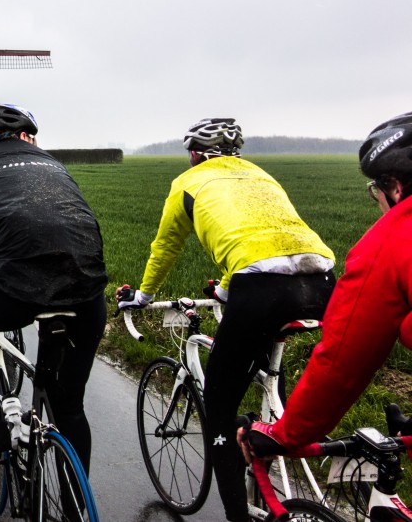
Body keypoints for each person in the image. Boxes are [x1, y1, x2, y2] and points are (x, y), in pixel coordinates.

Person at [116, 117, 336, 522]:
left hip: (261, 287)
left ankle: (237, 512)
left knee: (218, 409)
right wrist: (224, 291)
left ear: (196, 154)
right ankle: (268, 428)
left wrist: (142, 297)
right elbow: (268, 236)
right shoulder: (260, 175)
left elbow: (165, 246)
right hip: (322, 279)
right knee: (266, 361)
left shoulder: (188, 183)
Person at [0, 104, 108, 468]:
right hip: (87, 292)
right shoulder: (52, 164)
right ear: (28, 136)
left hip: (14, 288)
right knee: (70, 407)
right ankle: (77, 506)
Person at [242, 112, 412, 459]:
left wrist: (284, 434)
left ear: (395, 186)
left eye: (375, 190)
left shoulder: (392, 239)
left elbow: (343, 360)